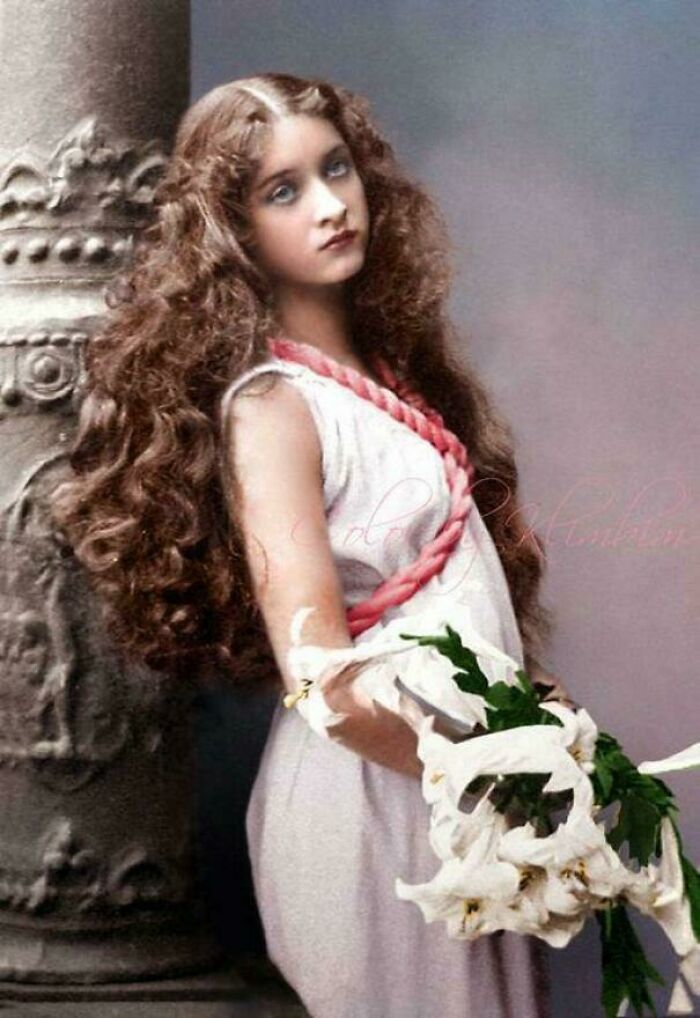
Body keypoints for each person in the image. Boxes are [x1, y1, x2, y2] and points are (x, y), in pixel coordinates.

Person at [52, 72, 573, 1018]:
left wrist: (533, 717)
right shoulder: (274, 406)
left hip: (453, 799)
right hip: (378, 809)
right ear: (234, 228)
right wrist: (486, 761)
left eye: (337, 169)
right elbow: (323, 681)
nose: (332, 206)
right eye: (282, 190)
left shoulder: (385, 374)